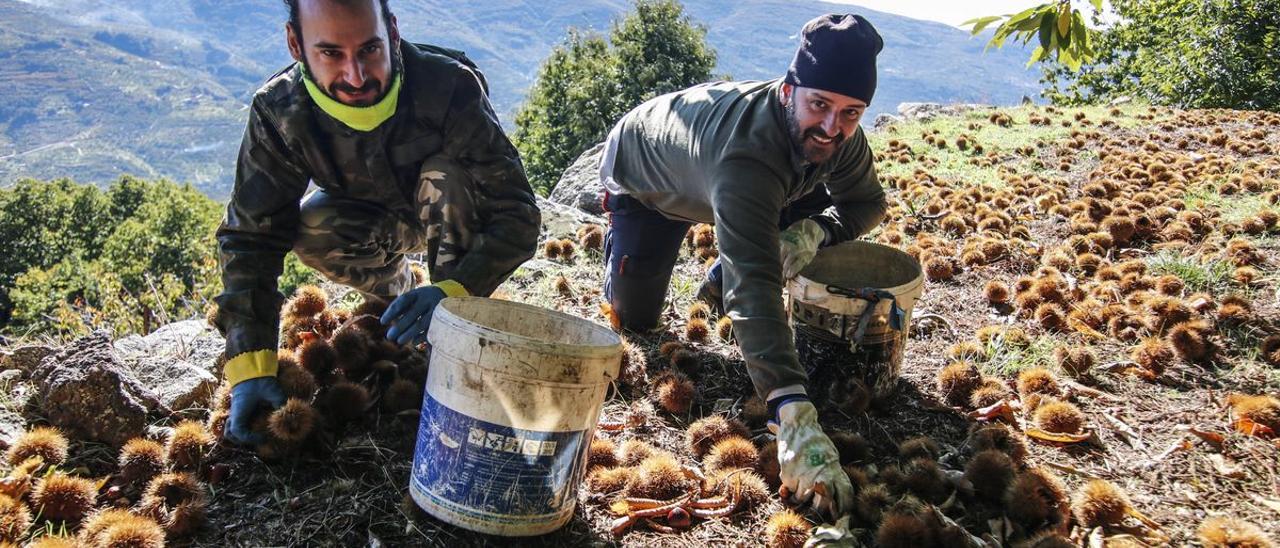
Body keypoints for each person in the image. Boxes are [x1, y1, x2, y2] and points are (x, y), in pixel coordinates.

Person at [213, 0, 539, 445]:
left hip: (453, 210)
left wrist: (455, 290)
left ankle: (453, 323)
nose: (356, 75)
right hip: (369, 220)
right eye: (331, 53)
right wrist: (250, 363)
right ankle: (397, 303)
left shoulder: (448, 86)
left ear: (393, 31)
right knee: (312, 225)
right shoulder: (281, 112)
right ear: (296, 44)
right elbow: (251, 235)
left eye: (370, 49)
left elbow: (515, 211)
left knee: (445, 177)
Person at [599, 13, 887, 517]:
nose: (831, 127)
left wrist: (815, 229)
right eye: (819, 104)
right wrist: (793, 413)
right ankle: (665, 260)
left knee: (795, 203)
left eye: (850, 112)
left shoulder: (836, 134)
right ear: (788, 91)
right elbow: (755, 290)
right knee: (637, 317)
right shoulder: (747, 158)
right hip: (650, 182)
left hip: (749, 188)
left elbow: (867, 203)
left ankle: (729, 262)